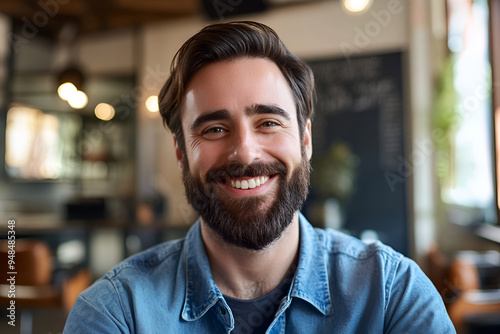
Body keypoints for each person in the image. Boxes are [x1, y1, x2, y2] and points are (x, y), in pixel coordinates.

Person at [64, 21, 455, 333]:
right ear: (181, 153)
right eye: (215, 129)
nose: (246, 152)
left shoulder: (392, 296)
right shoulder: (116, 314)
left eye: (268, 122)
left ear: (305, 140)